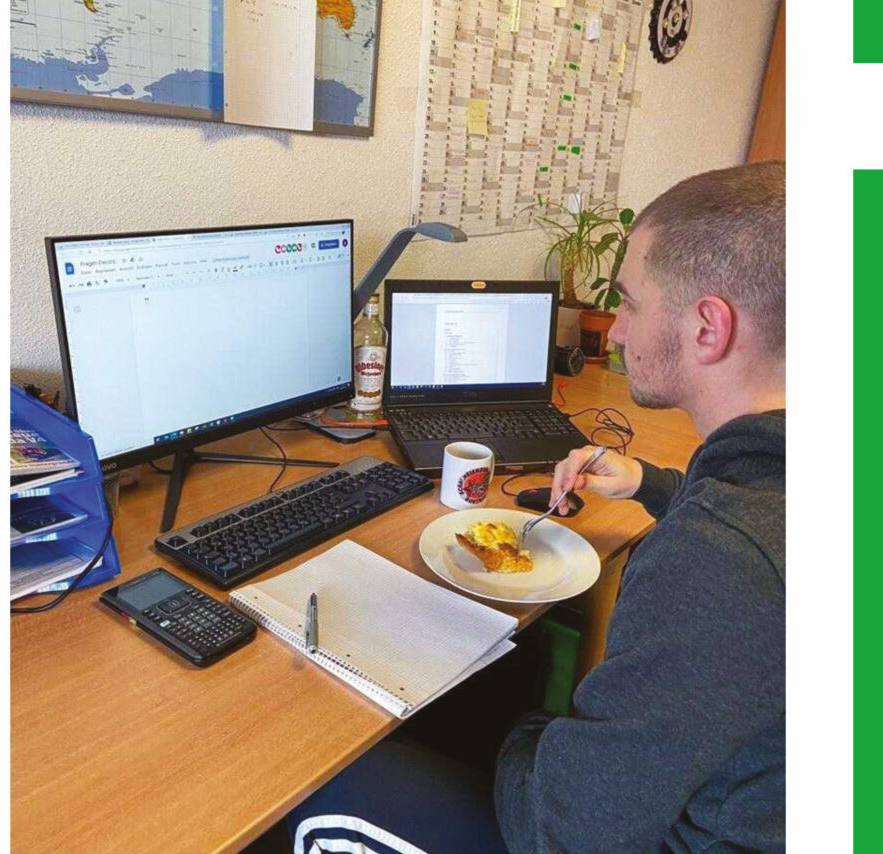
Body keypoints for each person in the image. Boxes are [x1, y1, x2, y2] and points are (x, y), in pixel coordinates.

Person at [285, 161, 787, 853]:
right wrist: (649, 484)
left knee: (320, 785)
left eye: (630, 304)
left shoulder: (721, 558)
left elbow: (564, 830)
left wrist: (523, 728)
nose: (615, 332)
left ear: (708, 327)